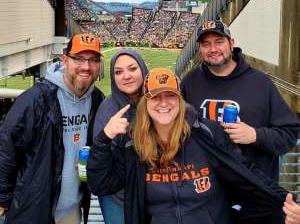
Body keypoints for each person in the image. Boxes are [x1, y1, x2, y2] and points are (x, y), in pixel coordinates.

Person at [87, 67, 297, 224]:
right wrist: (104, 139)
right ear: (145, 102)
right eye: (155, 97)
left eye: (170, 96)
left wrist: (285, 203)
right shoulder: (133, 144)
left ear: (180, 100)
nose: (163, 103)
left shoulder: (206, 133)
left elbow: (246, 173)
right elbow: (101, 184)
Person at [0, 33, 105, 224]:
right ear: (65, 60)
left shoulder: (97, 99)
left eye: (93, 60)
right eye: (79, 59)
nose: (86, 66)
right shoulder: (35, 99)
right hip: (34, 210)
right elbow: (6, 148)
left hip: (72, 210)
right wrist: (2, 198)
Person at [180, 20, 300, 182]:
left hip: (253, 187)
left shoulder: (260, 83)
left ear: (231, 43)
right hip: (206, 189)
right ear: (200, 48)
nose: (213, 49)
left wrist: (255, 135)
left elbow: (289, 134)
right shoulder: (190, 82)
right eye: (206, 44)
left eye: (219, 42)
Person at [93, 49, 148, 224]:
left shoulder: (159, 102)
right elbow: (99, 164)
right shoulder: (107, 109)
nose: (126, 76)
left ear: (143, 70)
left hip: (154, 193)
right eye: (118, 72)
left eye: (132, 69)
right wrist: (107, 135)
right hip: (118, 197)